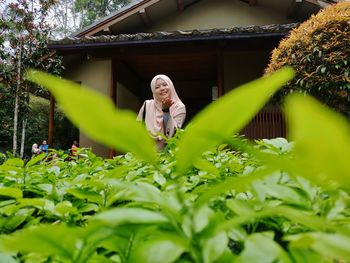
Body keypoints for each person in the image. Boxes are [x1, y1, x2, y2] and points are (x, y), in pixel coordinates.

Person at [137, 74, 186, 150]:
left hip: (168, 156)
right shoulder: (147, 105)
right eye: (157, 87)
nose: (162, 88)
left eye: (165, 85)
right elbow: (137, 129)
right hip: (145, 153)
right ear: (153, 91)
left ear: (170, 86)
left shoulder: (179, 107)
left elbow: (172, 133)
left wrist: (166, 111)